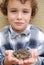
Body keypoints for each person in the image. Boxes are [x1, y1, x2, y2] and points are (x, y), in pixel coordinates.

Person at [0, 0, 44, 65]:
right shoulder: (1, 36)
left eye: (25, 12)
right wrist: (5, 61)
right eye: (13, 11)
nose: (19, 17)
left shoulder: (39, 36)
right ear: (6, 13)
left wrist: (35, 61)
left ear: (31, 15)